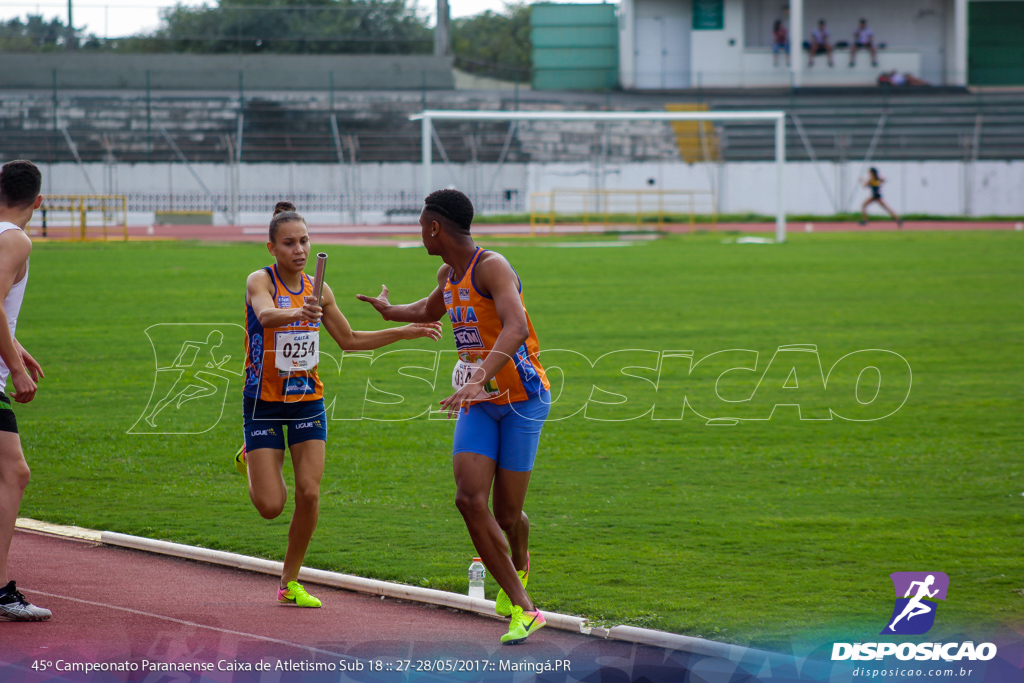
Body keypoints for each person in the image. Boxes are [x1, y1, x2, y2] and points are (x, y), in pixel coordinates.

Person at [357, 189, 551, 645]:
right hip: (479, 402)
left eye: (420, 223)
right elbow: (428, 310)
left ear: (434, 227)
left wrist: (479, 375)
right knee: (468, 499)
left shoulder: (492, 266)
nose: (418, 231)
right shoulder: (449, 272)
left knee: (508, 514)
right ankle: (525, 607)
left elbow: (517, 326)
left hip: (522, 399)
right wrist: (391, 310)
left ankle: (518, 560)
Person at [239, 201, 442, 608]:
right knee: (270, 507)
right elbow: (264, 317)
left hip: (307, 400)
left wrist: (402, 333)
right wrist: (298, 311)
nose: (300, 250)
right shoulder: (259, 281)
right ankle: (250, 453)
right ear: (271, 248)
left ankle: (289, 582)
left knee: (309, 494)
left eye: (305, 241)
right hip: (263, 401)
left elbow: (349, 341)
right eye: (290, 243)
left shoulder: (321, 290)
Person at [0, 160, 51, 622]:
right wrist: (15, 368)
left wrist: (16, 347)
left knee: (13, 472)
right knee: (13, 473)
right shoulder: (15, 238)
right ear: (38, 201)